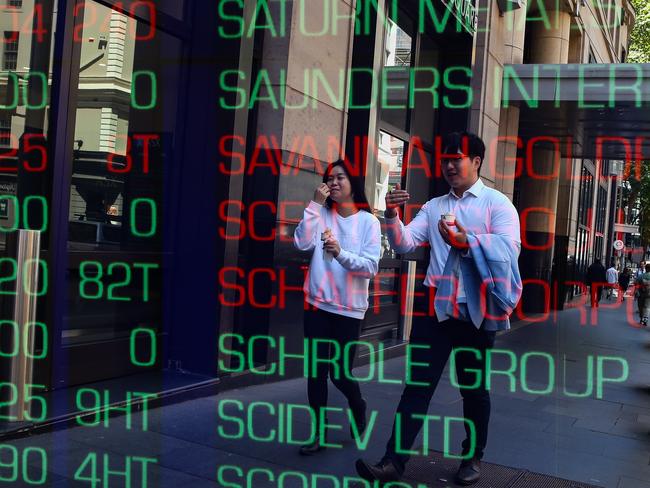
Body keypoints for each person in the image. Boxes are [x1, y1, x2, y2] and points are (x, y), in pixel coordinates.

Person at [355, 132, 522, 486]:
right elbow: (403, 243)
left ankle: (473, 456)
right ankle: (392, 463)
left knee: (473, 389)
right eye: (445, 159)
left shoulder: (497, 204)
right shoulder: (434, 207)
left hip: (476, 311)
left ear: (477, 161)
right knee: (417, 387)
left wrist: (469, 242)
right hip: (434, 309)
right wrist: (391, 213)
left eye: (456, 158)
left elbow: (510, 250)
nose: (448, 165)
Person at [293, 160, 381, 455]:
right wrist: (313, 205)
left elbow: (370, 267)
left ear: (353, 182)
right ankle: (318, 432)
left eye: (340, 177)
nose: (333, 183)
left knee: (340, 373)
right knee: (316, 372)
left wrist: (341, 254)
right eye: (329, 178)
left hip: (348, 310)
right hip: (316, 305)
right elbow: (301, 244)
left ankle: (358, 405)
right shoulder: (321, 214)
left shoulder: (369, 222)